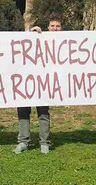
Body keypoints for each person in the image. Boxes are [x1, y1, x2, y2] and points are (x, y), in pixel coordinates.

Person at [12, 12, 63, 154]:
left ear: (62, 28)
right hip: (26, 79)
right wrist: (30, 33)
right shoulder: (38, 36)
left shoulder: (66, 41)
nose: (55, 28)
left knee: (43, 112)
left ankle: (44, 143)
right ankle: (23, 141)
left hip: (45, 82)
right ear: (48, 27)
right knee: (23, 110)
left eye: (58, 26)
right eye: (52, 26)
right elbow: (20, 43)